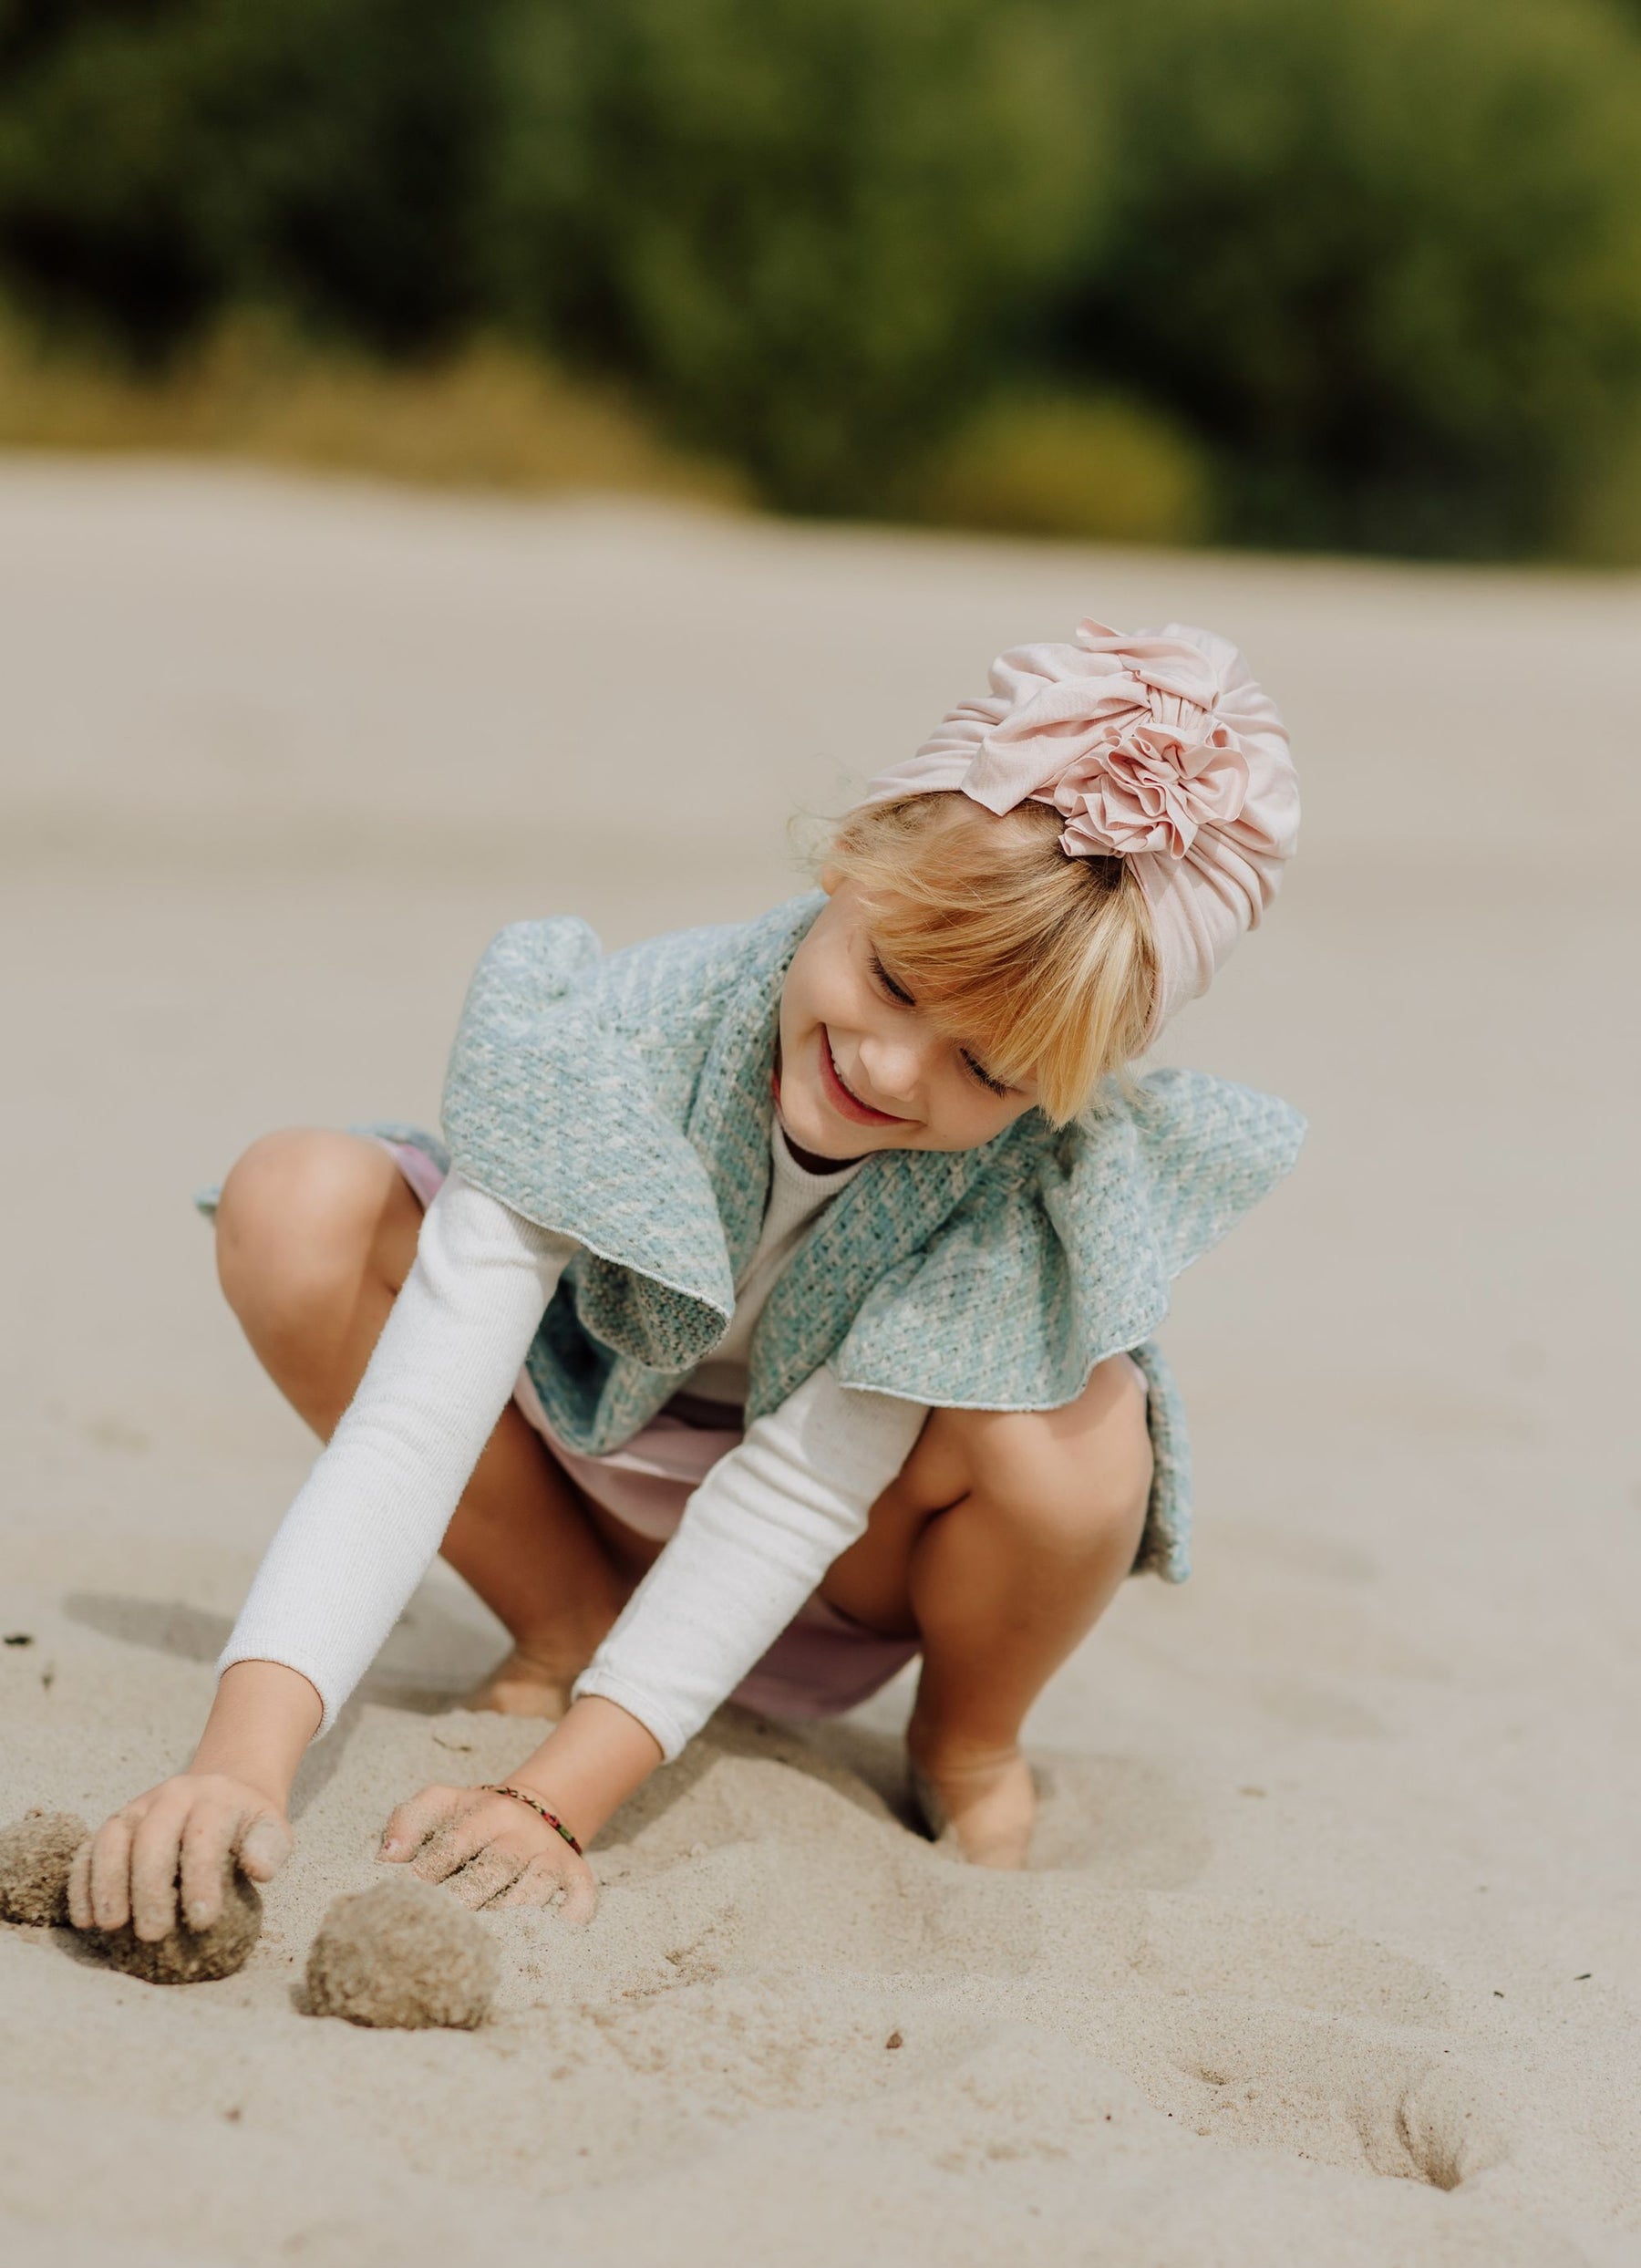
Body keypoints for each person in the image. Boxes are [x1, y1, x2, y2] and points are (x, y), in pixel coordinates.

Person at [68, 619, 1304, 1944]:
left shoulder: (1008, 1183)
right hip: (578, 1449)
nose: (893, 1071)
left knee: (1086, 1436)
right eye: (891, 981)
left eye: (987, 1073)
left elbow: (796, 1491)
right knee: (294, 1199)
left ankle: (969, 1745)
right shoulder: (624, 1035)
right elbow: (413, 1426)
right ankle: (565, 1623)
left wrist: (558, 1803)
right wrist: (241, 1757)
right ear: (851, 860)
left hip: (848, 1547)